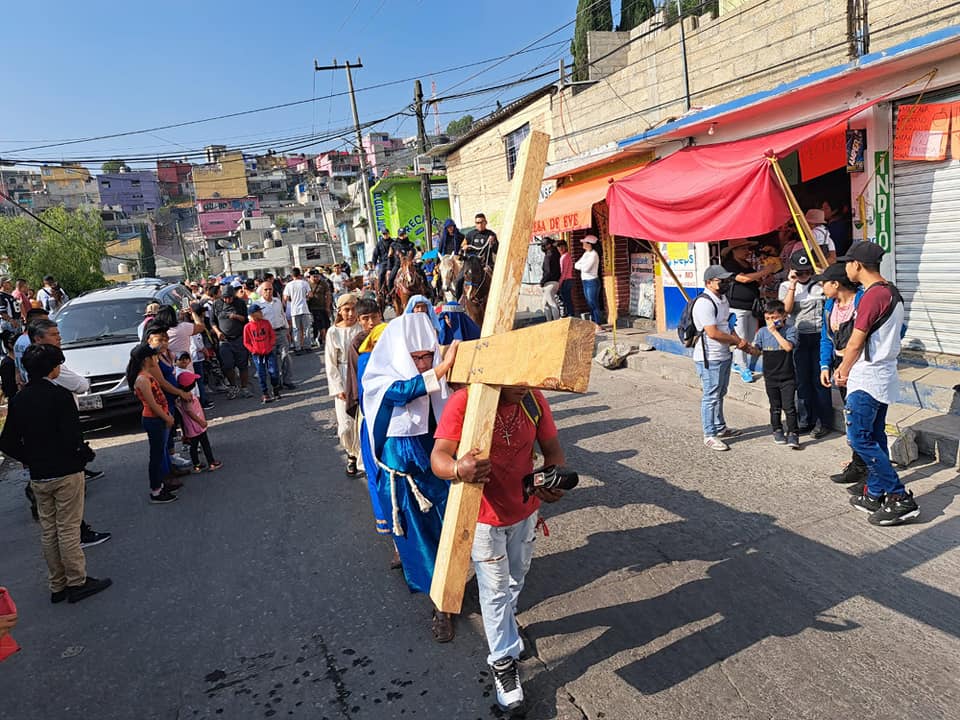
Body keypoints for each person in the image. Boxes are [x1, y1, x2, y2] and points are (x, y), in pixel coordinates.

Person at [432, 385, 565, 715]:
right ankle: (503, 662)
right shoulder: (466, 401)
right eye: (515, 379)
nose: (522, 387)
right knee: (493, 591)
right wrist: (457, 469)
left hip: (525, 511)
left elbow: (553, 450)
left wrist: (553, 479)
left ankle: (507, 627)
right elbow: (438, 457)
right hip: (483, 518)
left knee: (515, 580)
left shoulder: (533, 400)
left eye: (527, 378)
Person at [361, 314, 459, 641]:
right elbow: (400, 392)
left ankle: (452, 587)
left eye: (426, 356)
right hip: (405, 472)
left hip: (439, 464)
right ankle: (440, 604)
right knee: (419, 538)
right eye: (414, 357)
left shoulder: (438, 373)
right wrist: (439, 370)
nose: (421, 363)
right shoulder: (380, 375)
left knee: (450, 531)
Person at [0, 343, 112, 603]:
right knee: (69, 528)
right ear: (53, 369)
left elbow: (6, 442)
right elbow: (74, 435)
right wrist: (82, 455)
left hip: (40, 474)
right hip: (65, 470)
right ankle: (77, 581)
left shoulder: (18, 400)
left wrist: (30, 458)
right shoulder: (60, 396)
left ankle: (57, 584)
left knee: (49, 530)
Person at [835, 242, 919, 526]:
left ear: (857, 265)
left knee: (860, 438)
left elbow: (857, 341)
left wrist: (842, 369)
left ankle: (899, 498)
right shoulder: (890, 292)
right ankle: (875, 492)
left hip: (868, 376)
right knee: (874, 435)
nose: (846, 267)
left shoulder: (873, 296)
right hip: (880, 375)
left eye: (848, 262)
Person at [815, 263, 866, 486]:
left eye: (823, 283)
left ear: (836, 284)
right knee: (851, 415)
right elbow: (826, 338)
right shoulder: (829, 305)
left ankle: (865, 466)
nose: (821, 287)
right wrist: (825, 365)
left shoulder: (864, 301)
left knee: (862, 417)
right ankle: (859, 463)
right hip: (839, 366)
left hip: (862, 366)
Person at [692, 265, 749, 452]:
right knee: (711, 396)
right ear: (709, 282)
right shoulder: (704, 303)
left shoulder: (722, 299)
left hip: (723, 354)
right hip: (709, 356)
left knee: (720, 392)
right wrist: (735, 340)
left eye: (727, 280)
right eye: (721, 281)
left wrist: (737, 340)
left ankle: (720, 427)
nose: (725, 284)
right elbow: (713, 332)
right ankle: (709, 434)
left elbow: (726, 324)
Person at [780, 249, 831, 438]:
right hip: (798, 338)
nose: (805, 276)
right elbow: (785, 311)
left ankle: (823, 421)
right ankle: (804, 420)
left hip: (819, 337)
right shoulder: (786, 286)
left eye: (808, 272)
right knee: (801, 381)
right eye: (800, 272)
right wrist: (793, 284)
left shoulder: (820, 285)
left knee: (820, 380)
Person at [128, 345, 178, 504]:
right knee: (156, 456)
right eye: (153, 356)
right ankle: (156, 490)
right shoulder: (142, 379)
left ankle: (161, 484)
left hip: (159, 418)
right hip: (154, 420)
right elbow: (152, 404)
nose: (156, 359)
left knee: (159, 452)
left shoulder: (146, 375)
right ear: (146, 359)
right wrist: (167, 417)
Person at [721, 238, 775, 383]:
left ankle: (738, 363)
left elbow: (754, 282)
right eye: (744, 249)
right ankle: (743, 367)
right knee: (741, 338)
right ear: (734, 251)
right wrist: (764, 271)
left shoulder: (747, 264)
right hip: (736, 307)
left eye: (747, 249)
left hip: (751, 306)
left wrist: (765, 280)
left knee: (750, 337)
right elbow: (743, 279)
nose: (747, 252)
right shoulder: (729, 265)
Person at [751, 300, 800, 448]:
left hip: (787, 376)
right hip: (770, 376)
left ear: (784, 316)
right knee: (775, 406)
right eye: (767, 318)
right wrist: (746, 347)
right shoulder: (762, 332)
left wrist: (775, 332)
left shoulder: (791, 330)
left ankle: (793, 433)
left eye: (774, 318)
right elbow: (756, 350)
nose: (771, 322)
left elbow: (788, 347)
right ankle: (777, 429)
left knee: (789, 406)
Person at [326, 293, 362, 475]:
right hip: (343, 375)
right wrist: (338, 387)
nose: (350, 313)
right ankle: (350, 452)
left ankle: (360, 458)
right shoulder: (333, 332)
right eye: (346, 309)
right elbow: (330, 363)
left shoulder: (362, 328)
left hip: (360, 375)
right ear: (340, 311)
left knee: (361, 421)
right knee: (346, 424)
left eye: (354, 309)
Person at [176, 372, 222, 473]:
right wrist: (201, 422)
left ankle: (197, 465)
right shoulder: (188, 398)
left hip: (190, 427)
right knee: (205, 444)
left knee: (193, 446)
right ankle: (211, 462)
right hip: (196, 426)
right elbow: (189, 411)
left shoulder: (181, 397)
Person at [211, 285, 251, 398]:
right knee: (227, 365)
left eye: (229, 297)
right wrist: (218, 332)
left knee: (243, 365)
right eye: (225, 297)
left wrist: (236, 316)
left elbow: (246, 320)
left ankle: (244, 388)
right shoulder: (216, 304)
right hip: (225, 340)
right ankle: (233, 386)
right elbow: (212, 322)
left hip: (238, 338)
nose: (227, 300)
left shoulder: (240, 303)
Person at [258, 281, 295, 389]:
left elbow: (282, 315)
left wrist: (287, 330)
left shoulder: (277, 301)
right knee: (272, 359)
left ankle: (287, 380)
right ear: (261, 291)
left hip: (281, 331)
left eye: (270, 289)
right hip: (268, 335)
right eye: (266, 289)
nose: (268, 291)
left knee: (286, 356)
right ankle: (276, 382)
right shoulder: (258, 304)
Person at [243, 303, 280, 404]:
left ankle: (275, 388)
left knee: (273, 371)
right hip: (257, 354)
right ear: (253, 314)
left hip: (269, 352)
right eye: (259, 311)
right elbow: (246, 342)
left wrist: (271, 345)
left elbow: (272, 335)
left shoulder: (266, 323)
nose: (261, 313)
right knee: (261, 373)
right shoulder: (247, 327)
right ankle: (265, 393)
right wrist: (253, 350)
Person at [283, 267, 312, 353]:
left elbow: (285, 298)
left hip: (294, 310)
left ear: (292, 275)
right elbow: (310, 295)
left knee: (296, 329)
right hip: (304, 308)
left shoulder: (289, 285)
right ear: (300, 274)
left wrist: (290, 301)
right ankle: (307, 347)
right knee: (306, 328)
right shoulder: (304, 283)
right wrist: (305, 298)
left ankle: (298, 347)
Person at [574, 235, 602, 326]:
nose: (583, 244)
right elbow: (576, 265)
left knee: (593, 302)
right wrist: (582, 266)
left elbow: (586, 268)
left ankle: (598, 323)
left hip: (592, 281)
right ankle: (593, 322)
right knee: (589, 303)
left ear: (590, 244)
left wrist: (581, 266)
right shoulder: (586, 254)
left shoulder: (594, 254)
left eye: (585, 242)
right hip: (585, 281)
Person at [307, 269, 331, 351]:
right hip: (312, 308)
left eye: (317, 276)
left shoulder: (323, 283)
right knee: (318, 325)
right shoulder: (307, 284)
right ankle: (319, 339)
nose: (316, 278)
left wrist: (327, 307)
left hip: (323, 307)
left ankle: (322, 339)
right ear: (310, 277)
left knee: (326, 324)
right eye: (314, 277)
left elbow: (328, 295)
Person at [540, 237, 561, 322]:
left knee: (551, 303)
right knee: (545, 303)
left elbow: (548, 271)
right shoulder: (556, 253)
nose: (542, 247)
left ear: (548, 245)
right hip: (555, 281)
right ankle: (549, 321)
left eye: (543, 245)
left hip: (549, 282)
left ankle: (555, 322)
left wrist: (542, 281)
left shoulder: (549, 256)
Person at [557, 240, 574, 318]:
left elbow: (563, 272)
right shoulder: (565, 256)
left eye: (562, 246)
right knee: (567, 299)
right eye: (559, 247)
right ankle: (570, 314)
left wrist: (559, 283)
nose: (560, 248)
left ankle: (571, 315)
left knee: (567, 300)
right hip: (567, 280)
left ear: (566, 247)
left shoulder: (565, 257)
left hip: (566, 280)